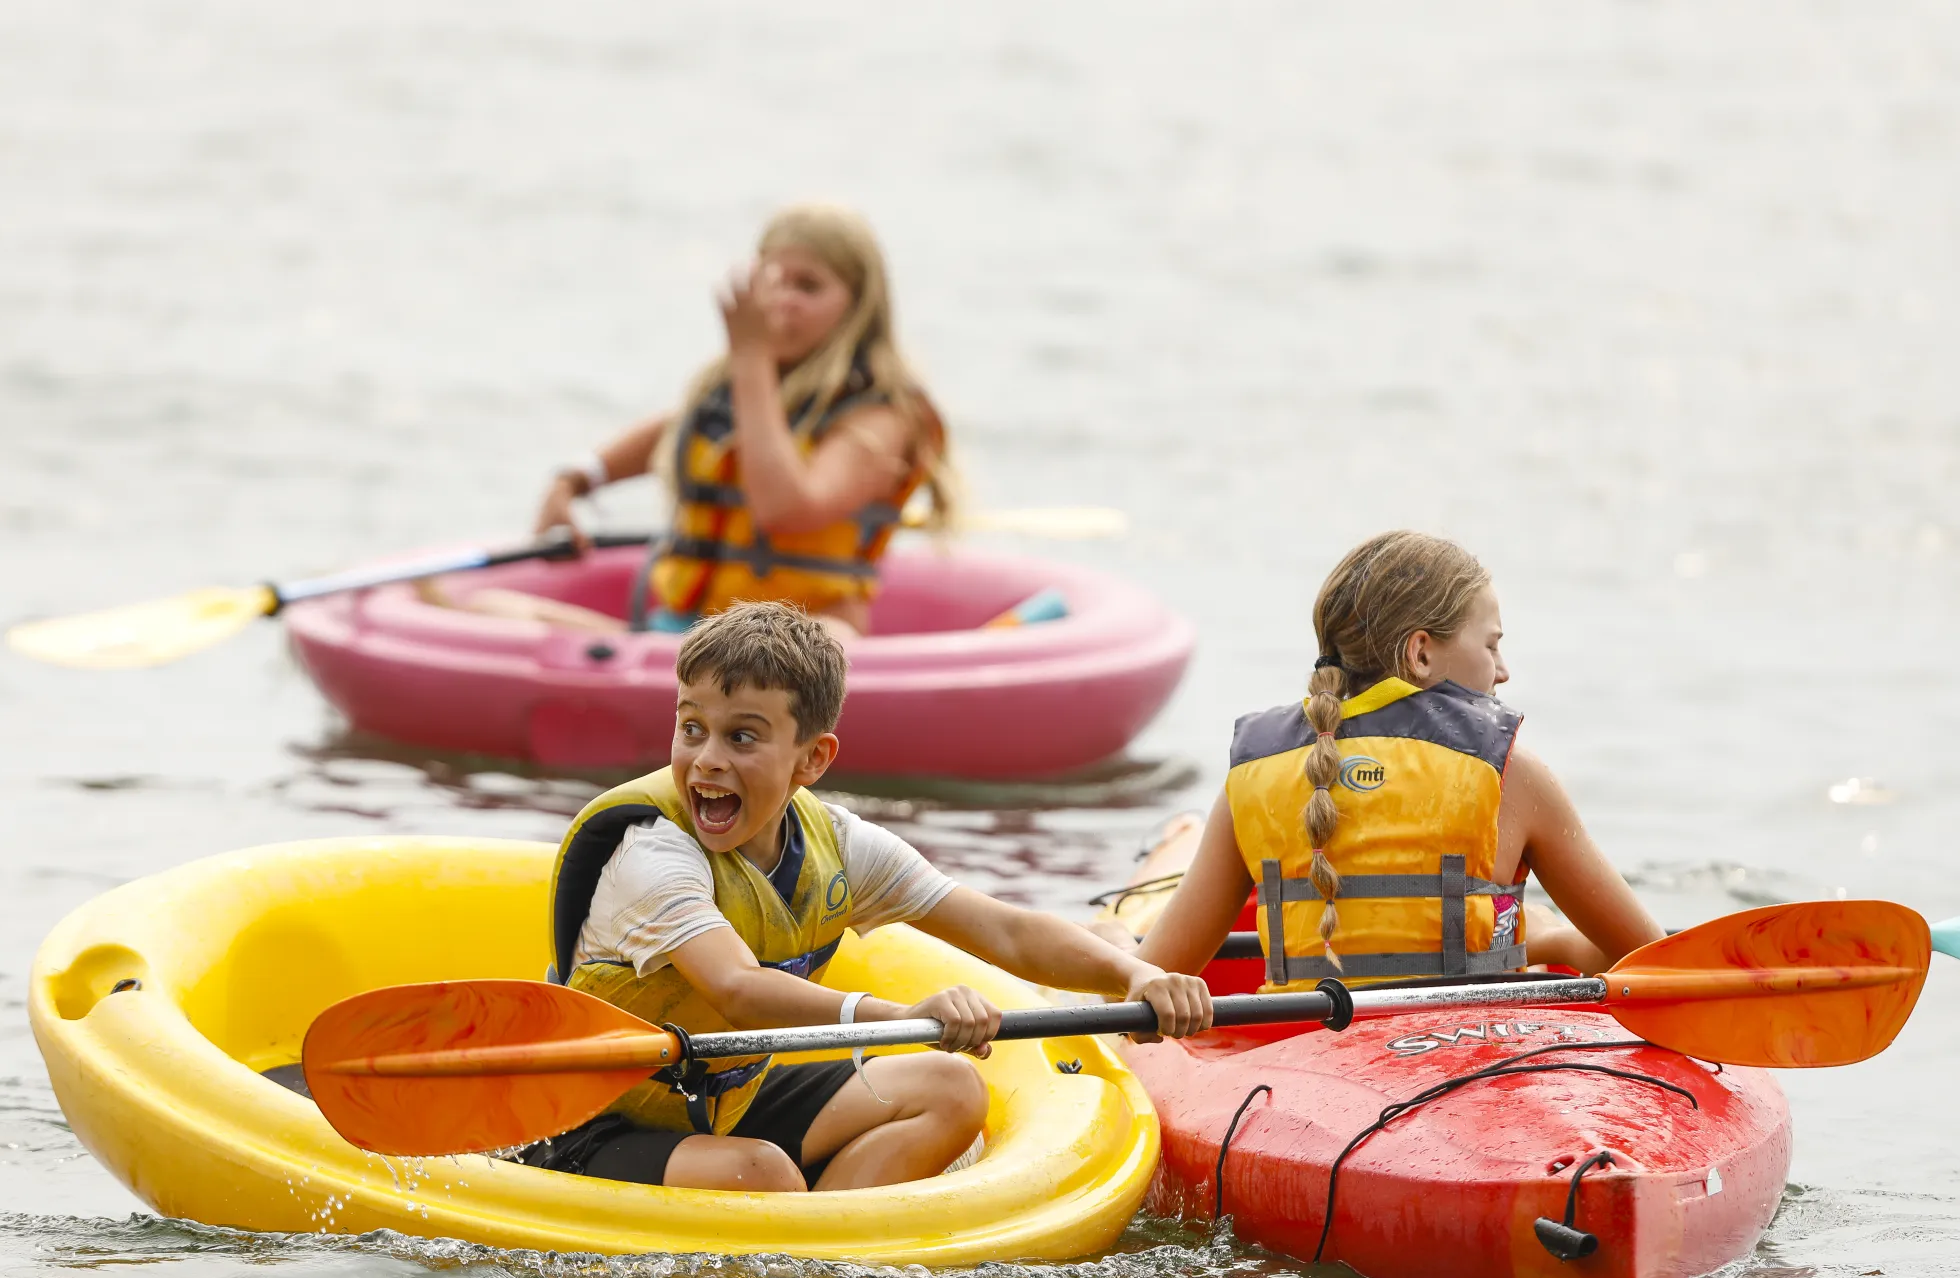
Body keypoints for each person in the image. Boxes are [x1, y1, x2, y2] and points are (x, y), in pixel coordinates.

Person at [521, 601, 1210, 1192]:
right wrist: (901, 1015)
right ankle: (791, 1230)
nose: (706, 760)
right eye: (691, 727)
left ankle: (821, 1253)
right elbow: (735, 988)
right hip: (591, 1120)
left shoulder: (839, 844)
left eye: (742, 737)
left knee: (951, 1089)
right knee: (759, 1175)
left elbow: (1003, 933)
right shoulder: (651, 849)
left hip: (721, 1103)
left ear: (812, 760)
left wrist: (1134, 973)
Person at [1125, 530, 1661, 991]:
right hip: (1473, 1060)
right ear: (1421, 652)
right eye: (1492, 645)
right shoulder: (1511, 774)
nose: (1503, 671)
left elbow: (1150, 981)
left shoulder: (1255, 776)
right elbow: (1653, 960)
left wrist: (1113, 947)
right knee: (1537, 925)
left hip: (1301, 1065)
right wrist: (1562, 943)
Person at [425, 204, 953, 639]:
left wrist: (750, 357)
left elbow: (784, 510)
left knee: (821, 651)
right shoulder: (738, 389)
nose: (784, 301)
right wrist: (575, 479)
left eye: (808, 287)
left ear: (858, 307)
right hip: (685, 631)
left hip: (805, 639)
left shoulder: (882, 417)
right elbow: (670, 434)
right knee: (494, 611)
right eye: (774, 280)